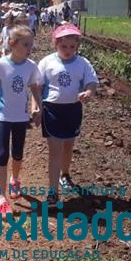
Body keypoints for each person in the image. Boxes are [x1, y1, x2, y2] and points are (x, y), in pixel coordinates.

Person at [0, 26, 42, 217]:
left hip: (21, 117)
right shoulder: (0, 65)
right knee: (2, 155)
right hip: (3, 116)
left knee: (17, 153)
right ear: (12, 43)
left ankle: (15, 179)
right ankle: (2, 197)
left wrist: (38, 108)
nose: (29, 48)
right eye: (25, 44)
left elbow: (34, 88)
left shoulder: (31, 66)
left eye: (31, 44)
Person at [38, 24, 98, 207]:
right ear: (55, 44)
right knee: (55, 151)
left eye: (72, 46)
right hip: (51, 110)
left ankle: (65, 174)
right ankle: (53, 193)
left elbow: (91, 82)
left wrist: (88, 93)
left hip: (73, 110)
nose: (68, 50)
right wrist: (35, 107)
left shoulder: (83, 63)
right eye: (63, 46)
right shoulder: (47, 62)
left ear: (77, 46)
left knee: (68, 146)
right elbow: (38, 87)